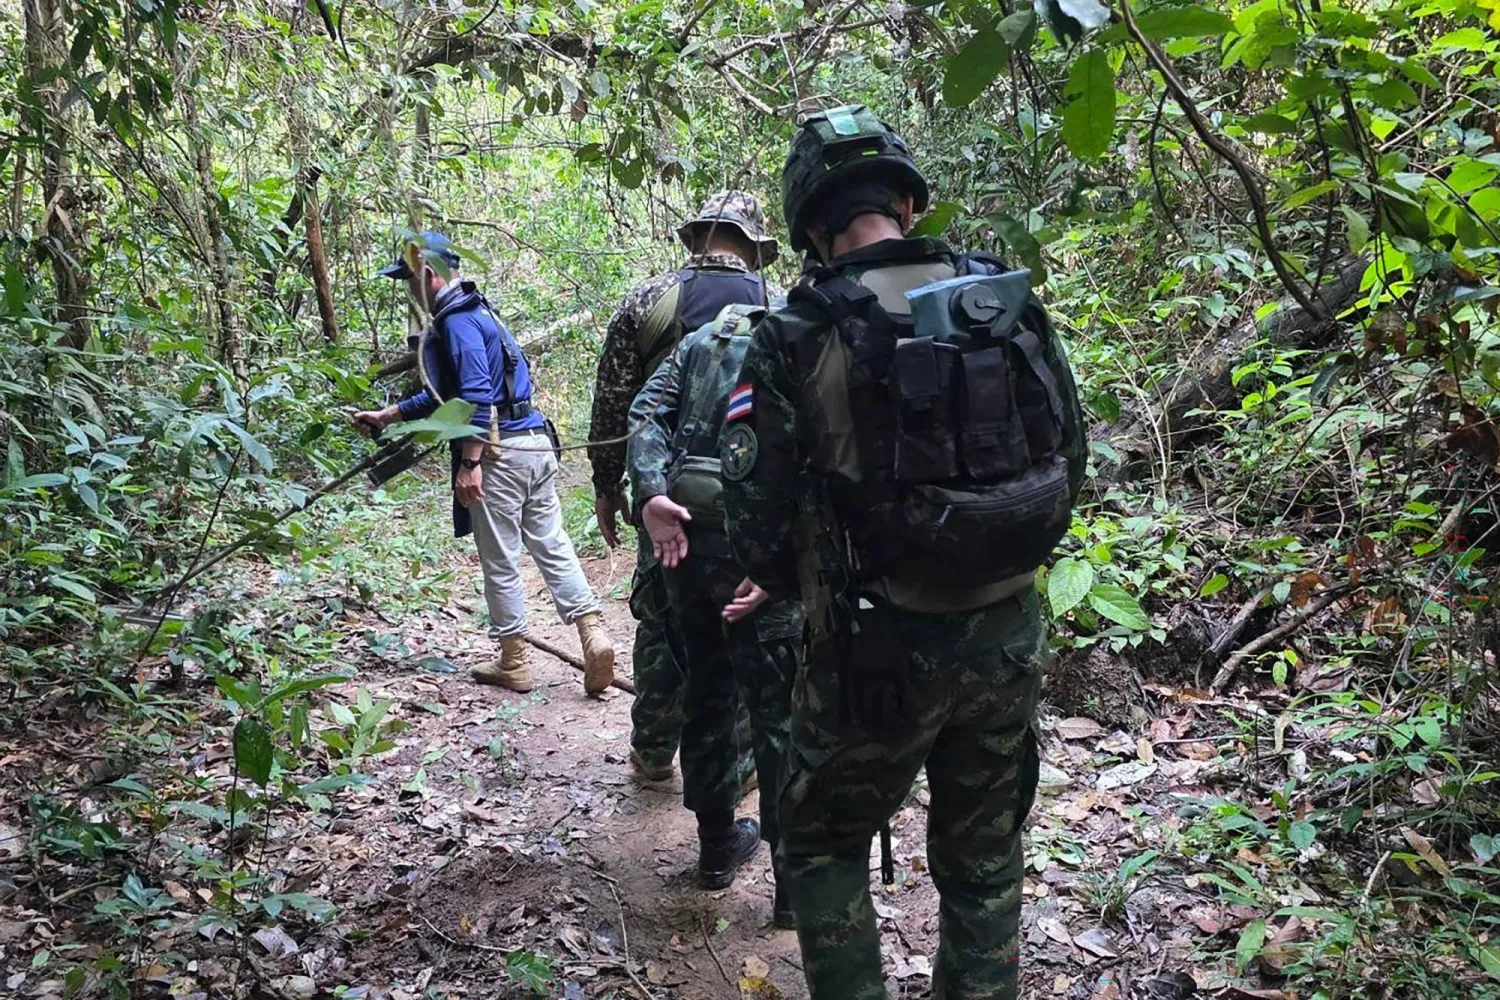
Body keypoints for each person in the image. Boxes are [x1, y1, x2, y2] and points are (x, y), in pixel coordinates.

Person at [721, 106, 1088, 998]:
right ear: (909, 204)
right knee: (987, 862)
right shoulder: (1002, 301)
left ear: (812, 226)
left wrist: (794, 575)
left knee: (822, 842)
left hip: (871, 648)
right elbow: (1071, 459)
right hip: (1007, 630)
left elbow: (757, 525)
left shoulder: (793, 333)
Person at [354, 232, 615, 696]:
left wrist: (470, 463)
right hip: (535, 444)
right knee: (552, 543)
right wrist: (391, 414)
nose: (408, 292)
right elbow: (448, 391)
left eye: (410, 281)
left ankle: (514, 661)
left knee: (500, 558)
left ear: (428, 275)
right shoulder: (479, 311)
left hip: (500, 455)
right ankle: (593, 633)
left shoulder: (455, 324)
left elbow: (475, 393)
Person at [588, 192, 780, 782]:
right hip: (754, 499)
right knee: (748, 620)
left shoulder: (649, 300)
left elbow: (617, 403)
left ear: (696, 239)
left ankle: (652, 751)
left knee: (662, 616)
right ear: (754, 248)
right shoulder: (784, 305)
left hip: (667, 497)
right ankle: (740, 766)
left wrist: (612, 485)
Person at [626, 301, 801, 918]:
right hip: (758, 553)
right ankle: (790, 887)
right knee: (779, 716)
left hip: (687, 543)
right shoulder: (789, 340)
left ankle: (716, 851)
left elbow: (645, 413)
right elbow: (815, 451)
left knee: (706, 693)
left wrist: (650, 492)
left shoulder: (697, 342)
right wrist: (785, 557)